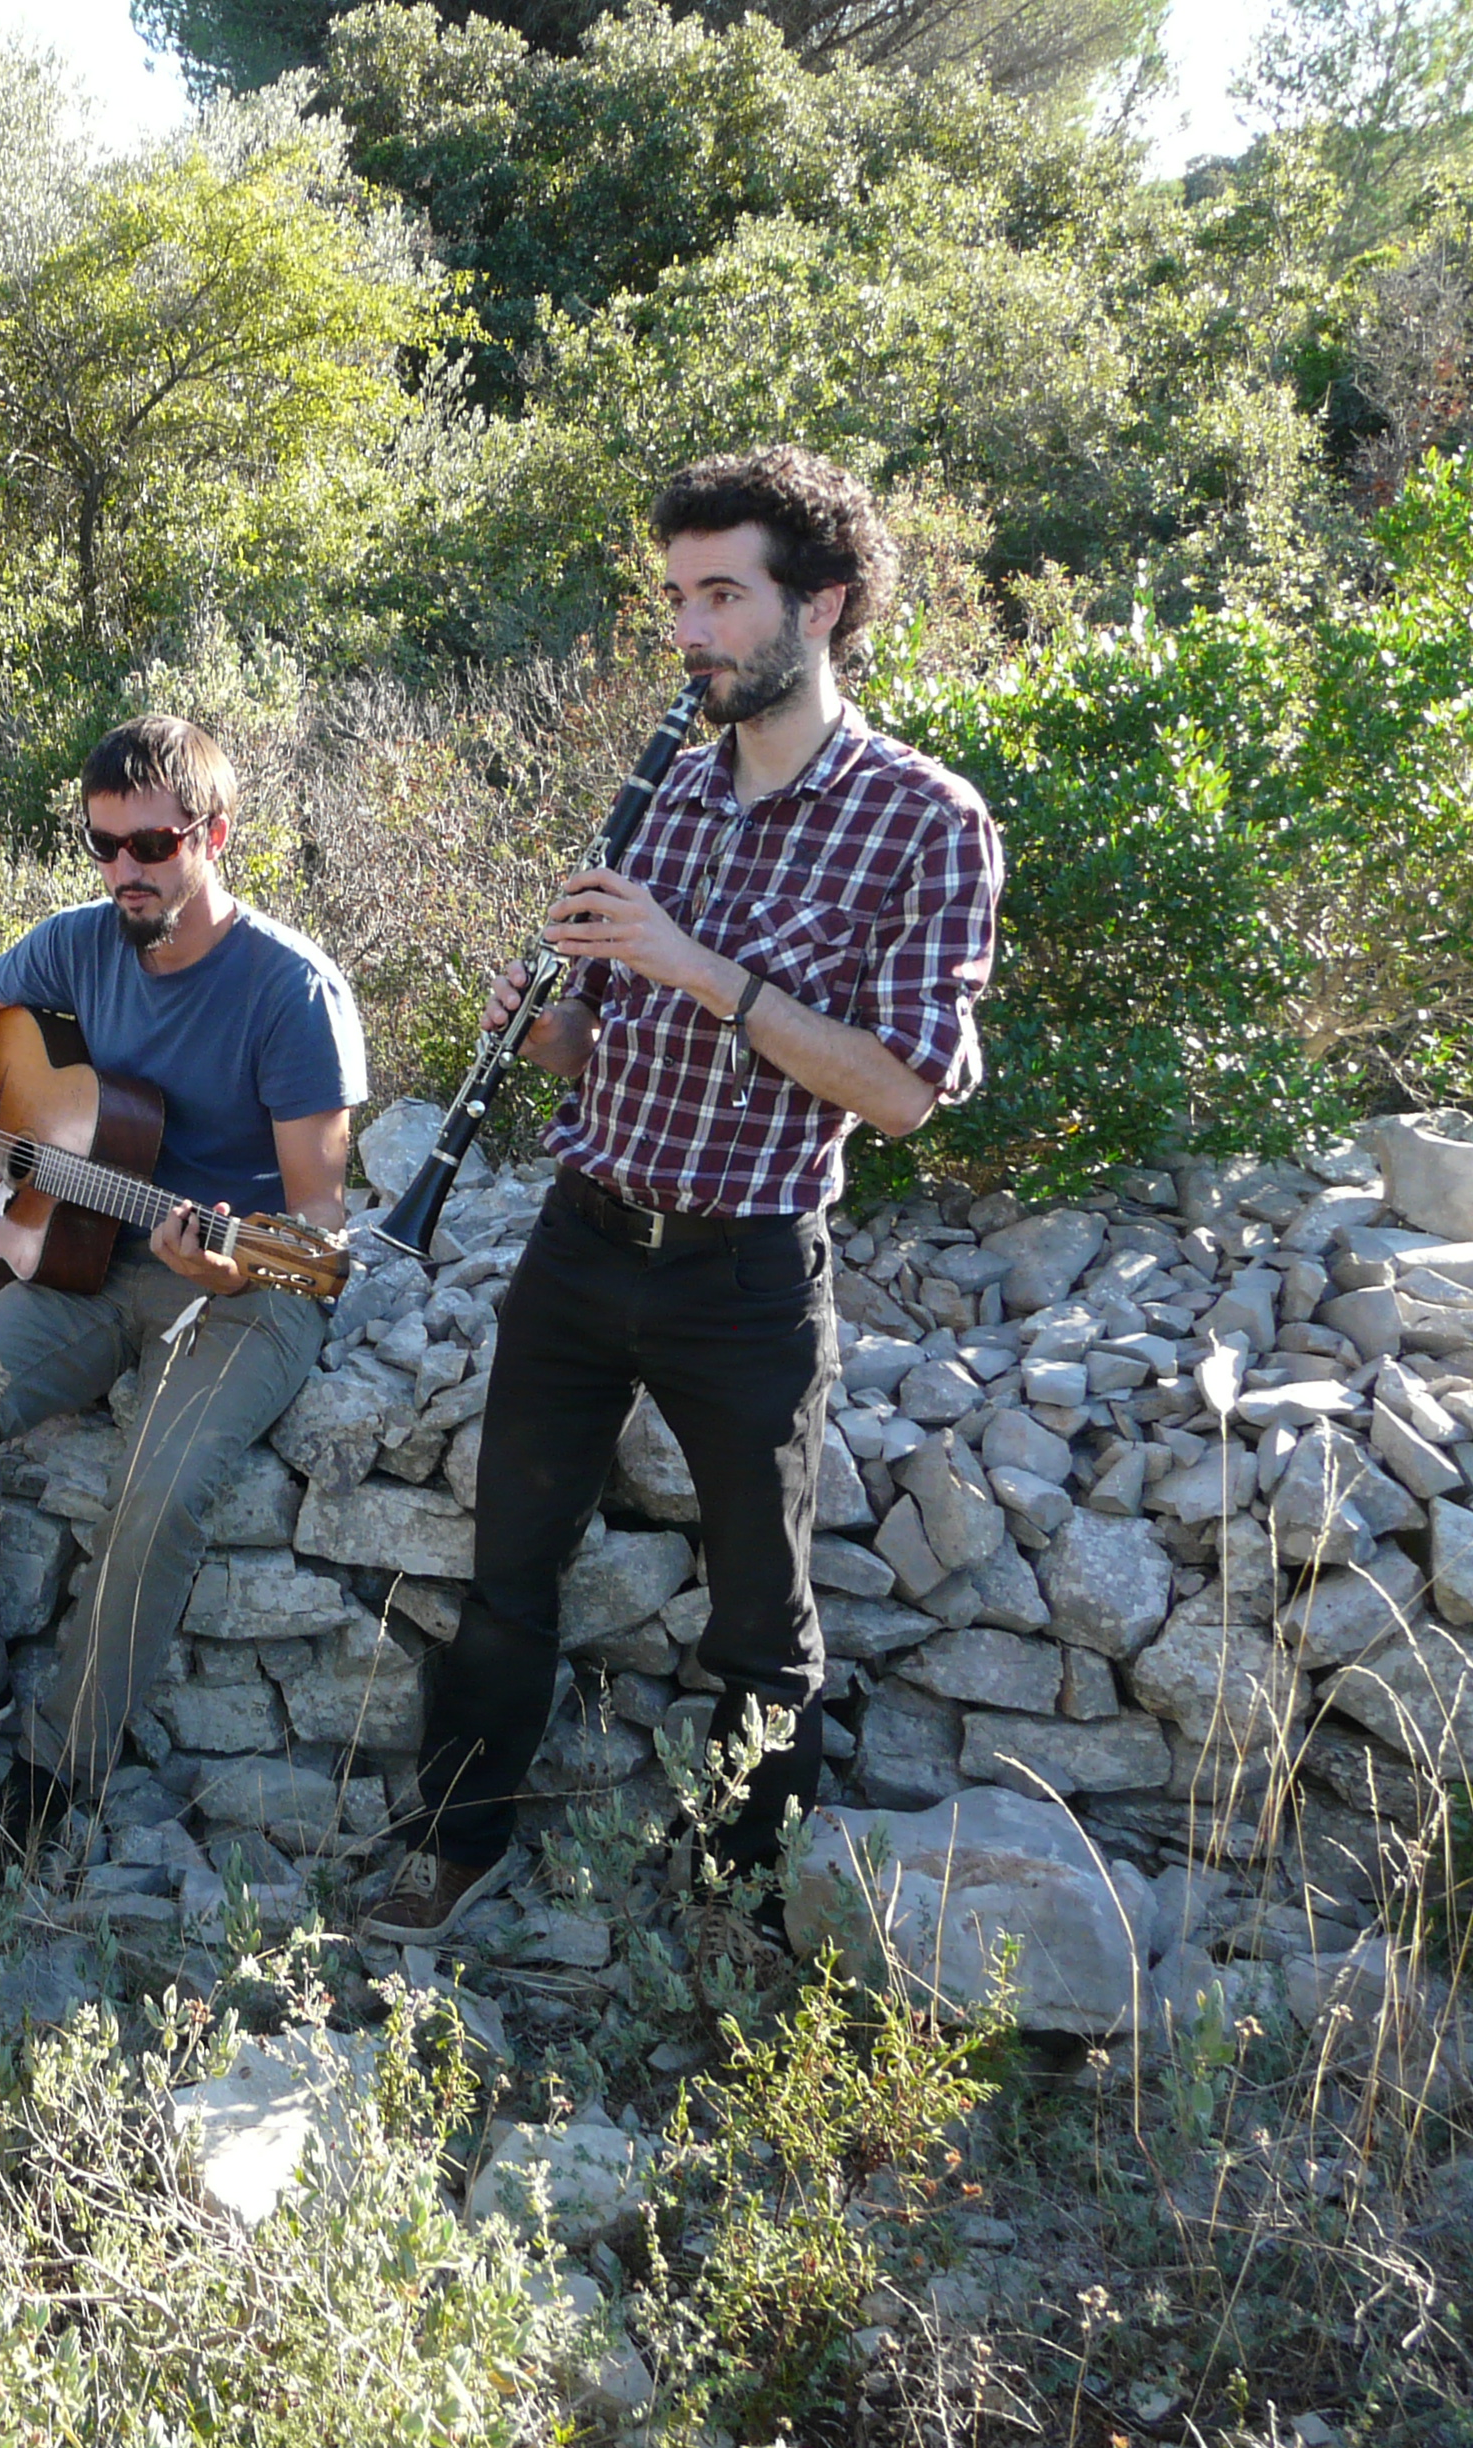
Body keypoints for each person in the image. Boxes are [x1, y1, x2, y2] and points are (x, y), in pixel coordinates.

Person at [370, 447, 1006, 1942]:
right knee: (508, 1566)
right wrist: (549, 1034)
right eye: (678, 597)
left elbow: (905, 1093)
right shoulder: (665, 796)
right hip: (587, 1235)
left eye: (723, 596)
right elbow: (610, 1039)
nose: (690, 631)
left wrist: (703, 970)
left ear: (824, 605)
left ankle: (734, 1899)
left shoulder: (924, 821)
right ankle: (456, 1844)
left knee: (759, 1617)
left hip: (746, 1270)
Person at [0, 715, 365, 1882]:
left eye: (153, 845)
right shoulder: (76, 944)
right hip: (89, 1259)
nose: (125, 870)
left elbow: (321, 1228)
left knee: (159, 1490)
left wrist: (229, 1261)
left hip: (247, 1287)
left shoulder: (291, 989)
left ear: (213, 836)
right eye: (103, 844)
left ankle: (62, 1765)